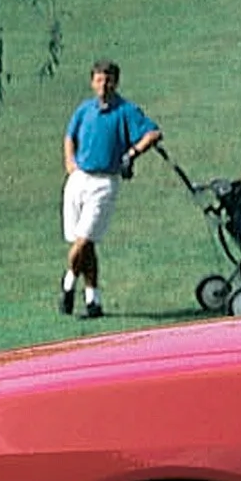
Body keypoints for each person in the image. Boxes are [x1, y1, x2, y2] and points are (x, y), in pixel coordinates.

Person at [60, 58, 161, 318]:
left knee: (82, 241)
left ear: (116, 82)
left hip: (104, 182)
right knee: (86, 244)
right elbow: (70, 136)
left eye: (108, 80)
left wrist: (131, 153)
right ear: (92, 82)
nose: (103, 85)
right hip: (79, 178)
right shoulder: (84, 109)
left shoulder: (125, 110)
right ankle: (93, 301)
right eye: (98, 80)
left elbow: (152, 133)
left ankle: (68, 284)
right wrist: (70, 162)